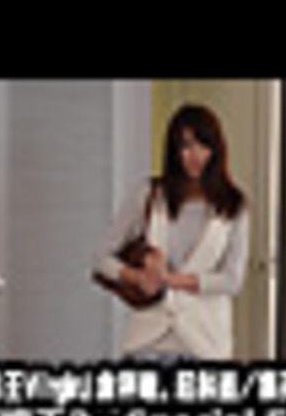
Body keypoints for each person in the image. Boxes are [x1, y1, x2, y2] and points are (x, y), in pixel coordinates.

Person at [93, 104, 249, 364]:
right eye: (186, 146)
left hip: (205, 344)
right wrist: (139, 277)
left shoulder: (234, 205)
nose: (195, 155)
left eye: (203, 145)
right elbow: (100, 258)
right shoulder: (149, 195)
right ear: (174, 151)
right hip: (147, 343)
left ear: (216, 149)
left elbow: (233, 280)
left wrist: (169, 280)